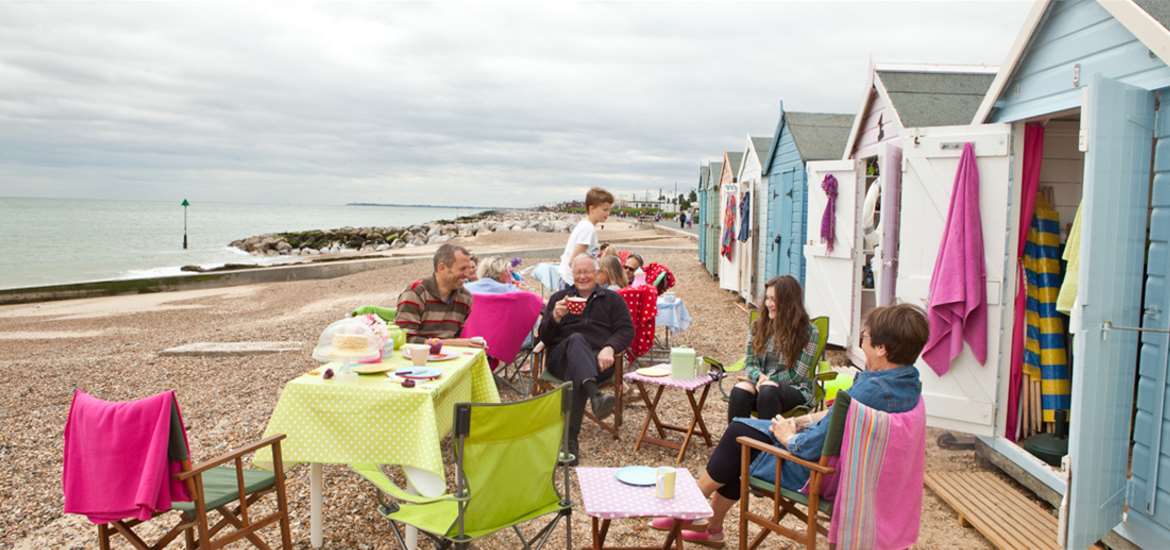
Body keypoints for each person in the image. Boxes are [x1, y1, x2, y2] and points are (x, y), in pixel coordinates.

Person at [656, 304, 928, 546]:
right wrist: (798, 421)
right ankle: (710, 526)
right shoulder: (908, 386)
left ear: (882, 348)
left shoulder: (868, 393)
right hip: (860, 472)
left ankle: (688, 509)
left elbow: (809, 447)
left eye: (864, 338)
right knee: (742, 432)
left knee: (739, 438)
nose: (862, 344)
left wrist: (789, 437)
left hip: (820, 474)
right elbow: (836, 420)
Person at [539, 254, 633, 462]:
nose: (582, 276)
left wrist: (610, 347)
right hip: (561, 360)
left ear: (597, 273)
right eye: (578, 272)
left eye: (587, 272)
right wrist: (555, 317)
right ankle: (595, 395)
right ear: (572, 275)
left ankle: (570, 440)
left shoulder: (612, 299)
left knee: (578, 373)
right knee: (576, 340)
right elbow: (544, 337)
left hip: (600, 361)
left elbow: (626, 330)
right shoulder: (559, 299)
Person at [727, 276, 819, 422]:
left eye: (774, 299)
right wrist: (759, 377)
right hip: (761, 384)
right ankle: (737, 443)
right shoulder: (758, 326)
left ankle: (764, 444)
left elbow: (797, 375)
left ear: (789, 303)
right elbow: (750, 363)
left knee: (768, 391)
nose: (768, 304)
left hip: (794, 389)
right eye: (767, 298)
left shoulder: (808, 332)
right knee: (740, 391)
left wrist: (768, 380)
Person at [395, 244, 485, 347]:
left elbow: (458, 336)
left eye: (468, 268)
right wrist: (448, 344)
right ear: (441, 268)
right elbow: (404, 339)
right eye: (462, 269)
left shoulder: (465, 298)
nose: (467, 274)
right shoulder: (415, 293)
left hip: (450, 358)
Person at [558, 188, 614, 289]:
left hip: (569, 279)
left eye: (609, 210)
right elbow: (574, 261)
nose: (608, 213)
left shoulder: (585, 225)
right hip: (572, 283)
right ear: (592, 208)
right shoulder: (588, 228)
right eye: (605, 209)